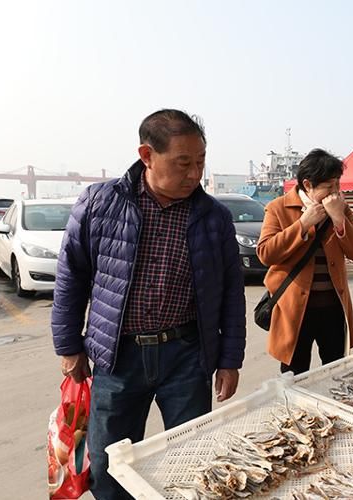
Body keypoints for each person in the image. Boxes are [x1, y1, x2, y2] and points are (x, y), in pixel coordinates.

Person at [51, 109, 247, 499]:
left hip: (187, 355)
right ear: (147, 155)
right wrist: (69, 346)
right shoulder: (100, 204)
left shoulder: (214, 217)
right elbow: (70, 277)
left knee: (191, 455)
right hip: (118, 355)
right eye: (184, 163)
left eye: (201, 162)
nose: (195, 174)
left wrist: (230, 358)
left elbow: (230, 293)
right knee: (109, 466)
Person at [257, 149, 353, 375]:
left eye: (338, 184)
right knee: (294, 374)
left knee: (336, 371)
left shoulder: (341, 208)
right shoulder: (278, 208)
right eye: (329, 186)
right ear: (308, 185)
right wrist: (303, 225)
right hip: (294, 311)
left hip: (334, 307)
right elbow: (266, 253)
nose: (336, 192)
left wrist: (339, 220)